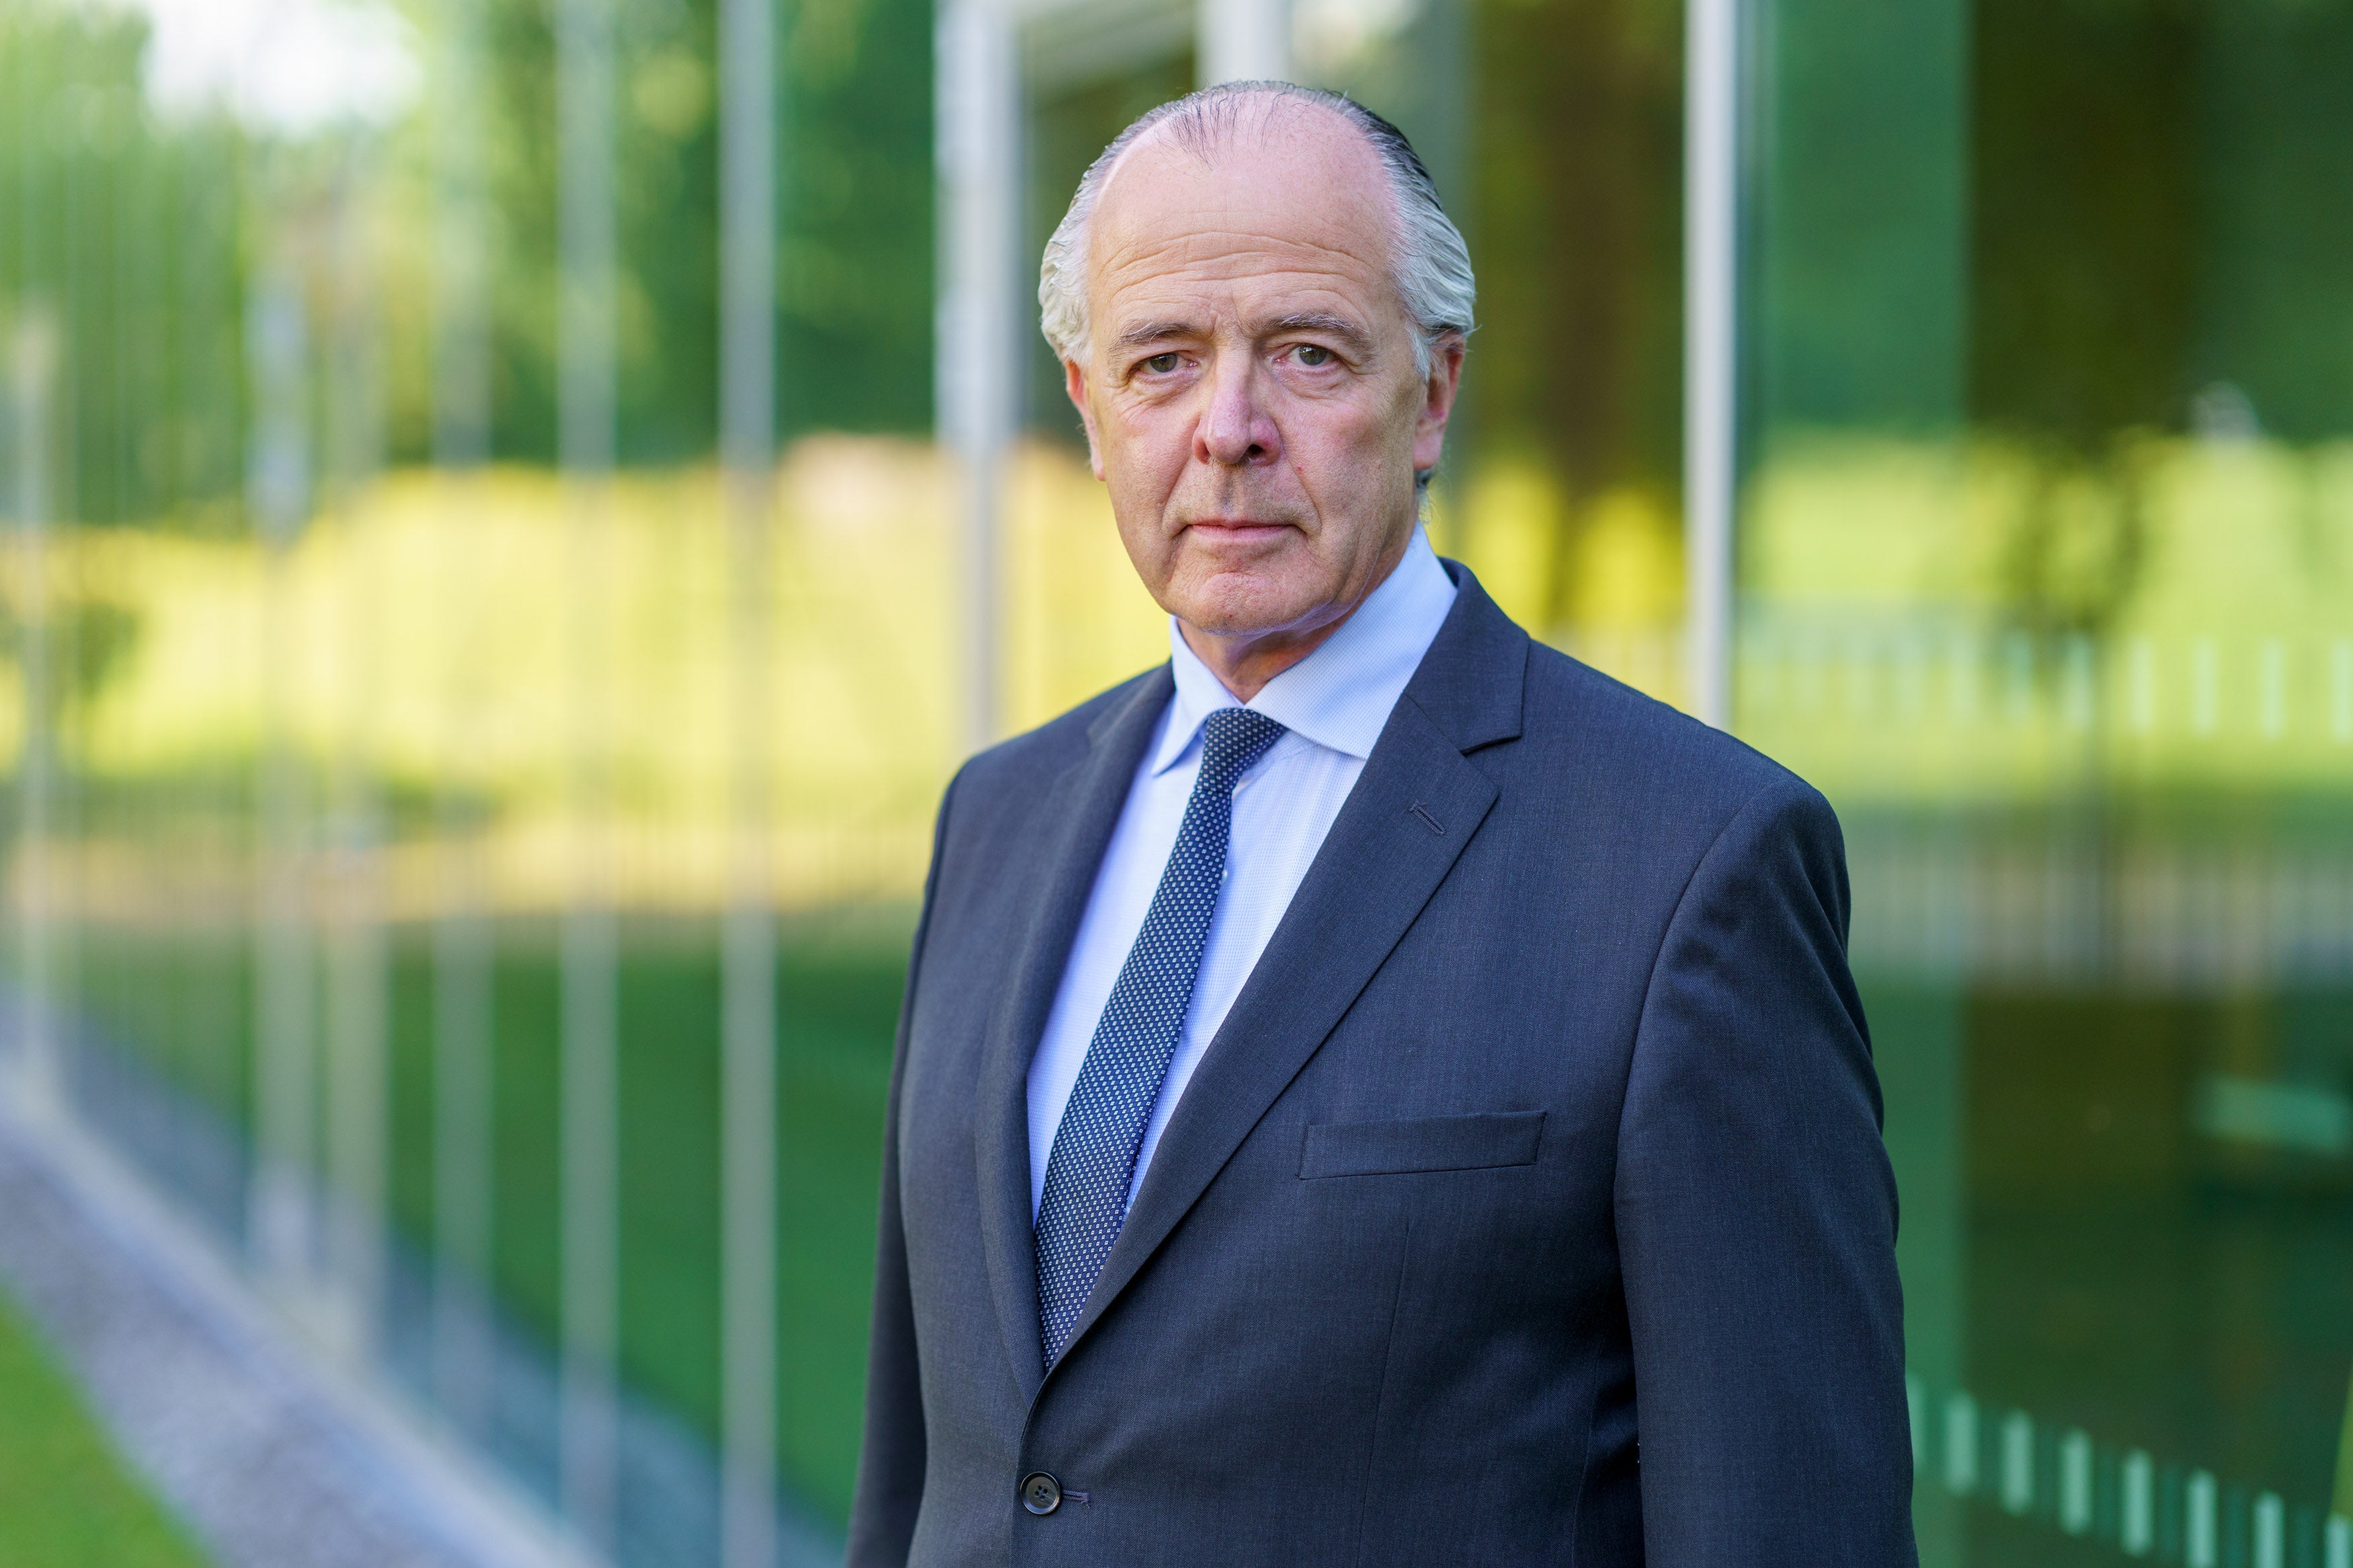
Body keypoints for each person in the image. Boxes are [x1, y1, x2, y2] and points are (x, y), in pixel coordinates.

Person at [848, 82, 1915, 1567]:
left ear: (1433, 391)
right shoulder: (997, 816)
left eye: (1307, 353)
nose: (1229, 431)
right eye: (1163, 363)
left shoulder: (1691, 868)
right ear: (1090, 409)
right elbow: (930, 1472)